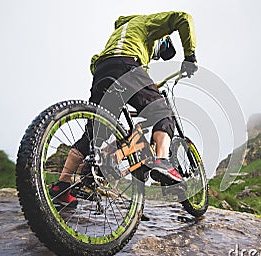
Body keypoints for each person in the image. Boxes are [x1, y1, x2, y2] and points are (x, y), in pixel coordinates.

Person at [49, 11, 198, 206]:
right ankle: (162, 161)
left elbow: (95, 60)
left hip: (102, 72)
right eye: (161, 50)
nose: (157, 54)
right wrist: (190, 56)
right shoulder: (146, 23)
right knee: (163, 113)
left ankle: (62, 185)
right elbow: (183, 18)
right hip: (128, 65)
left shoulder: (120, 34)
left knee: (94, 133)